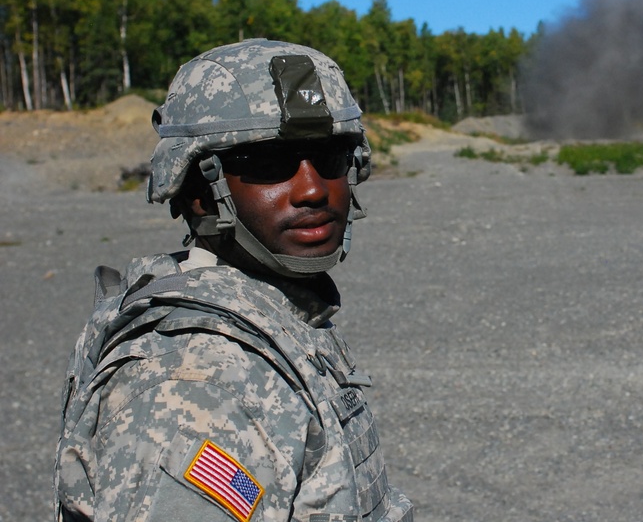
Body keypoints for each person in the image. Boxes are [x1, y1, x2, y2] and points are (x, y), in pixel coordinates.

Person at [54, 39, 414, 521]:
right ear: (201, 194)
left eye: (330, 158)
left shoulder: (268, 316)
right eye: (269, 165)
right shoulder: (197, 383)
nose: (313, 189)